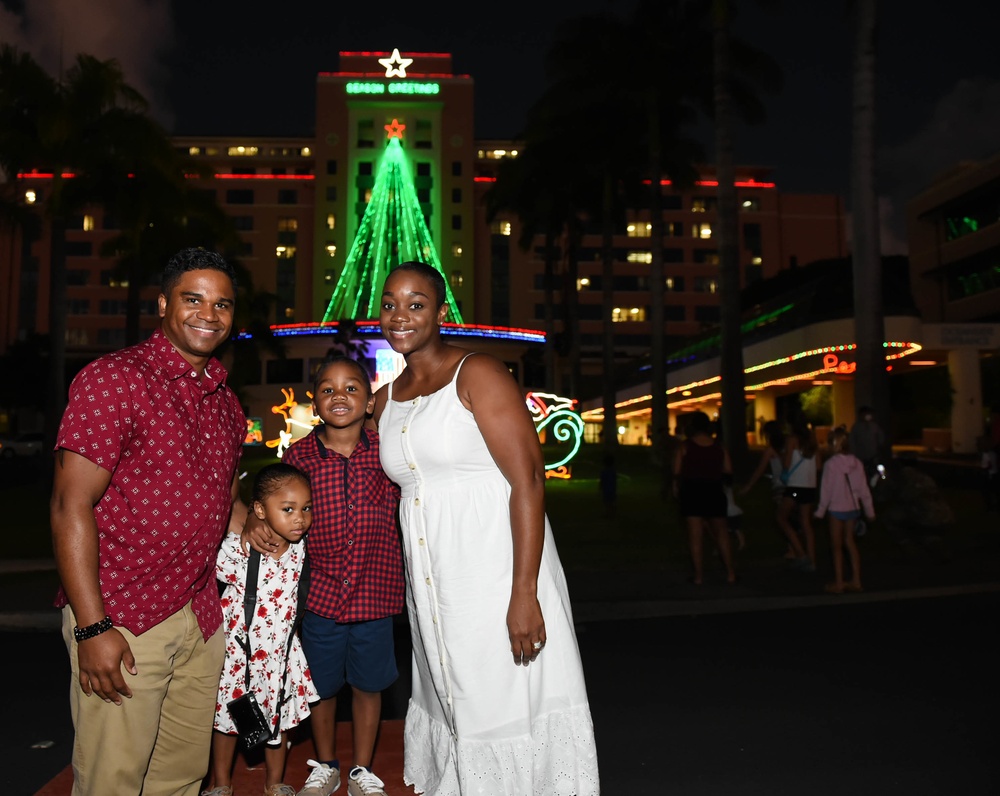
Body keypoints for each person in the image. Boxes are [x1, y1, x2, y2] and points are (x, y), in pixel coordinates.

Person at [373, 262, 600, 795]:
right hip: (433, 585)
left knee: (502, 697)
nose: (399, 315)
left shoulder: (478, 374)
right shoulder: (385, 399)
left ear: (442, 311)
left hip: (497, 571)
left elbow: (530, 484)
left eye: (416, 303)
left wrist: (525, 593)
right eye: (389, 303)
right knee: (455, 695)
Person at [50, 248, 247, 796]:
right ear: (163, 304)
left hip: (200, 616)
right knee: (114, 780)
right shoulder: (114, 380)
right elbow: (70, 505)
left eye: (222, 304)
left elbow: (220, 500)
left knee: (180, 779)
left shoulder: (228, 404)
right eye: (193, 299)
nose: (209, 314)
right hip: (125, 613)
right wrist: (92, 627)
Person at [249, 355, 405, 796]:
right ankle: (327, 764)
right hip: (320, 597)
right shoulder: (299, 456)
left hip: (376, 592)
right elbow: (272, 504)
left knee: (369, 685)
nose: (340, 396)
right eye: (328, 389)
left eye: (352, 388)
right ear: (314, 402)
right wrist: (252, 522)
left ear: (371, 402)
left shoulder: (387, 450)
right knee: (320, 687)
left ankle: (362, 769)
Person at [204, 463, 318, 796]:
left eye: (306, 508)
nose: (299, 517)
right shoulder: (239, 550)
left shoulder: (301, 549)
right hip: (239, 658)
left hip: (281, 657)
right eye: (288, 509)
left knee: (278, 723)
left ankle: (274, 782)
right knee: (226, 723)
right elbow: (211, 572)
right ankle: (221, 783)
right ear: (259, 510)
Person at [672, 411, 736, 585]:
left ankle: (699, 576)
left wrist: (676, 488)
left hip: (692, 492)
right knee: (722, 533)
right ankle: (730, 573)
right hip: (714, 490)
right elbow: (728, 471)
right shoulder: (719, 446)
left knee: (695, 536)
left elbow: (677, 472)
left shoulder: (685, 446)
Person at [740, 420, 810, 564]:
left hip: (780, 488)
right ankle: (797, 550)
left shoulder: (771, 450)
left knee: (783, 519)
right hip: (796, 486)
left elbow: (760, 470)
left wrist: (748, 487)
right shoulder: (789, 445)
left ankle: (797, 552)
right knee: (794, 519)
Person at [815, 427, 874, 594]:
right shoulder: (857, 463)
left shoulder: (831, 465)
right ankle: (856, 580)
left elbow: (826, 490)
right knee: (850, 542)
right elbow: (864, 489)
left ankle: (839, 583)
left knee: (836, 546)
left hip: (836, 508)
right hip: (853, 508)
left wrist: (820, 511)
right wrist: (869, 511)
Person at [778, 419, 821, 571]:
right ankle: (812, 561)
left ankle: (800, 553)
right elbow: (818, 465)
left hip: (795, 485)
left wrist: (784, 457)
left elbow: (787, 464)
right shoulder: (812, 441)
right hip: (810, 486)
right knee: (806, 523)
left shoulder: (791, 440)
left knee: (782, 518)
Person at [849, 405, 885, 481]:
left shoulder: (874, 426)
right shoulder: (856, 427)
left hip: (874, 457)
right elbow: (852, 442)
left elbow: (881, 438)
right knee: (863, 477)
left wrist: (879, 450)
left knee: (878, 475)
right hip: (861, 458)